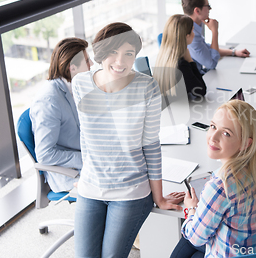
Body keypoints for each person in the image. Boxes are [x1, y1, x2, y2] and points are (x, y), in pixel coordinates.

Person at [72, 22, 184, 258]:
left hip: (130, 191)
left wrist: (159, 197)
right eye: (113, 52)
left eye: (128, 54)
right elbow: (87, 138)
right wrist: (83, 176)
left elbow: (151, 146)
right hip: (91, 187)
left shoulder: (147, 87)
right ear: (102, 52)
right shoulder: (80, 84)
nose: (120, 61)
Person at [171, 100, 256, 258]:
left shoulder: (220, 187)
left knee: (187, 240)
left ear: (245, 144)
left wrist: (191, 209)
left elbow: (195, 238)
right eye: (213, 126)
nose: (212, 137)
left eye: (226, 133)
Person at [30, 37, 92, 193]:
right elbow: (45, 155)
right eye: (87, 61)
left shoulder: (74, 86)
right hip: (69, 172)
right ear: (73, 68)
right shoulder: (49, 101)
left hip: (87, 154)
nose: (91, 65)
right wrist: (86, 159)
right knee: (119, 187)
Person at [182, 0, 250, 73]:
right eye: (208, 6)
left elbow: (208, 50)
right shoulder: (191, 35)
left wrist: (234, 52)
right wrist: (214, 31)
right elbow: (212, 64)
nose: (210, 9)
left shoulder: (192, 28)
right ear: (197, 11)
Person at [154, 14, 207, 100]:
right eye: (192, 31)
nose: (193, 34)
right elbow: (201, 91)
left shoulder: (164, 57)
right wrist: (190, 61)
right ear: (187, 36)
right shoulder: (181, 65)